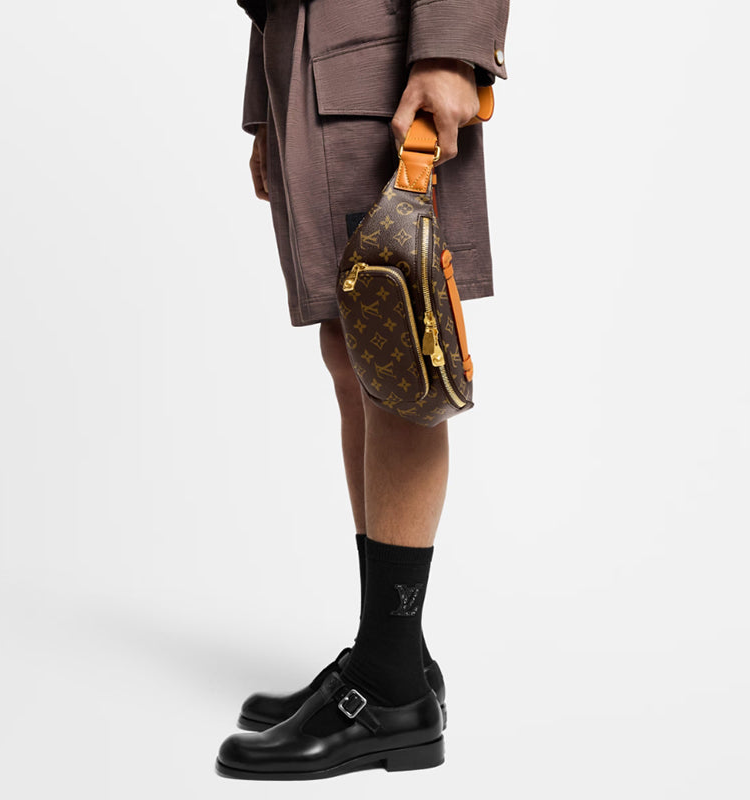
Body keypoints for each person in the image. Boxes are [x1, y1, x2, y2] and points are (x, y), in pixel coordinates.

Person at [216, 0, 510, 780]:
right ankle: (393, 651)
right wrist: (265, 107)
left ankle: (388, 690)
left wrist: (451, 51)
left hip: (380, 71)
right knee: (352, 349)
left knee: (403, 353)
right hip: (305, 74)